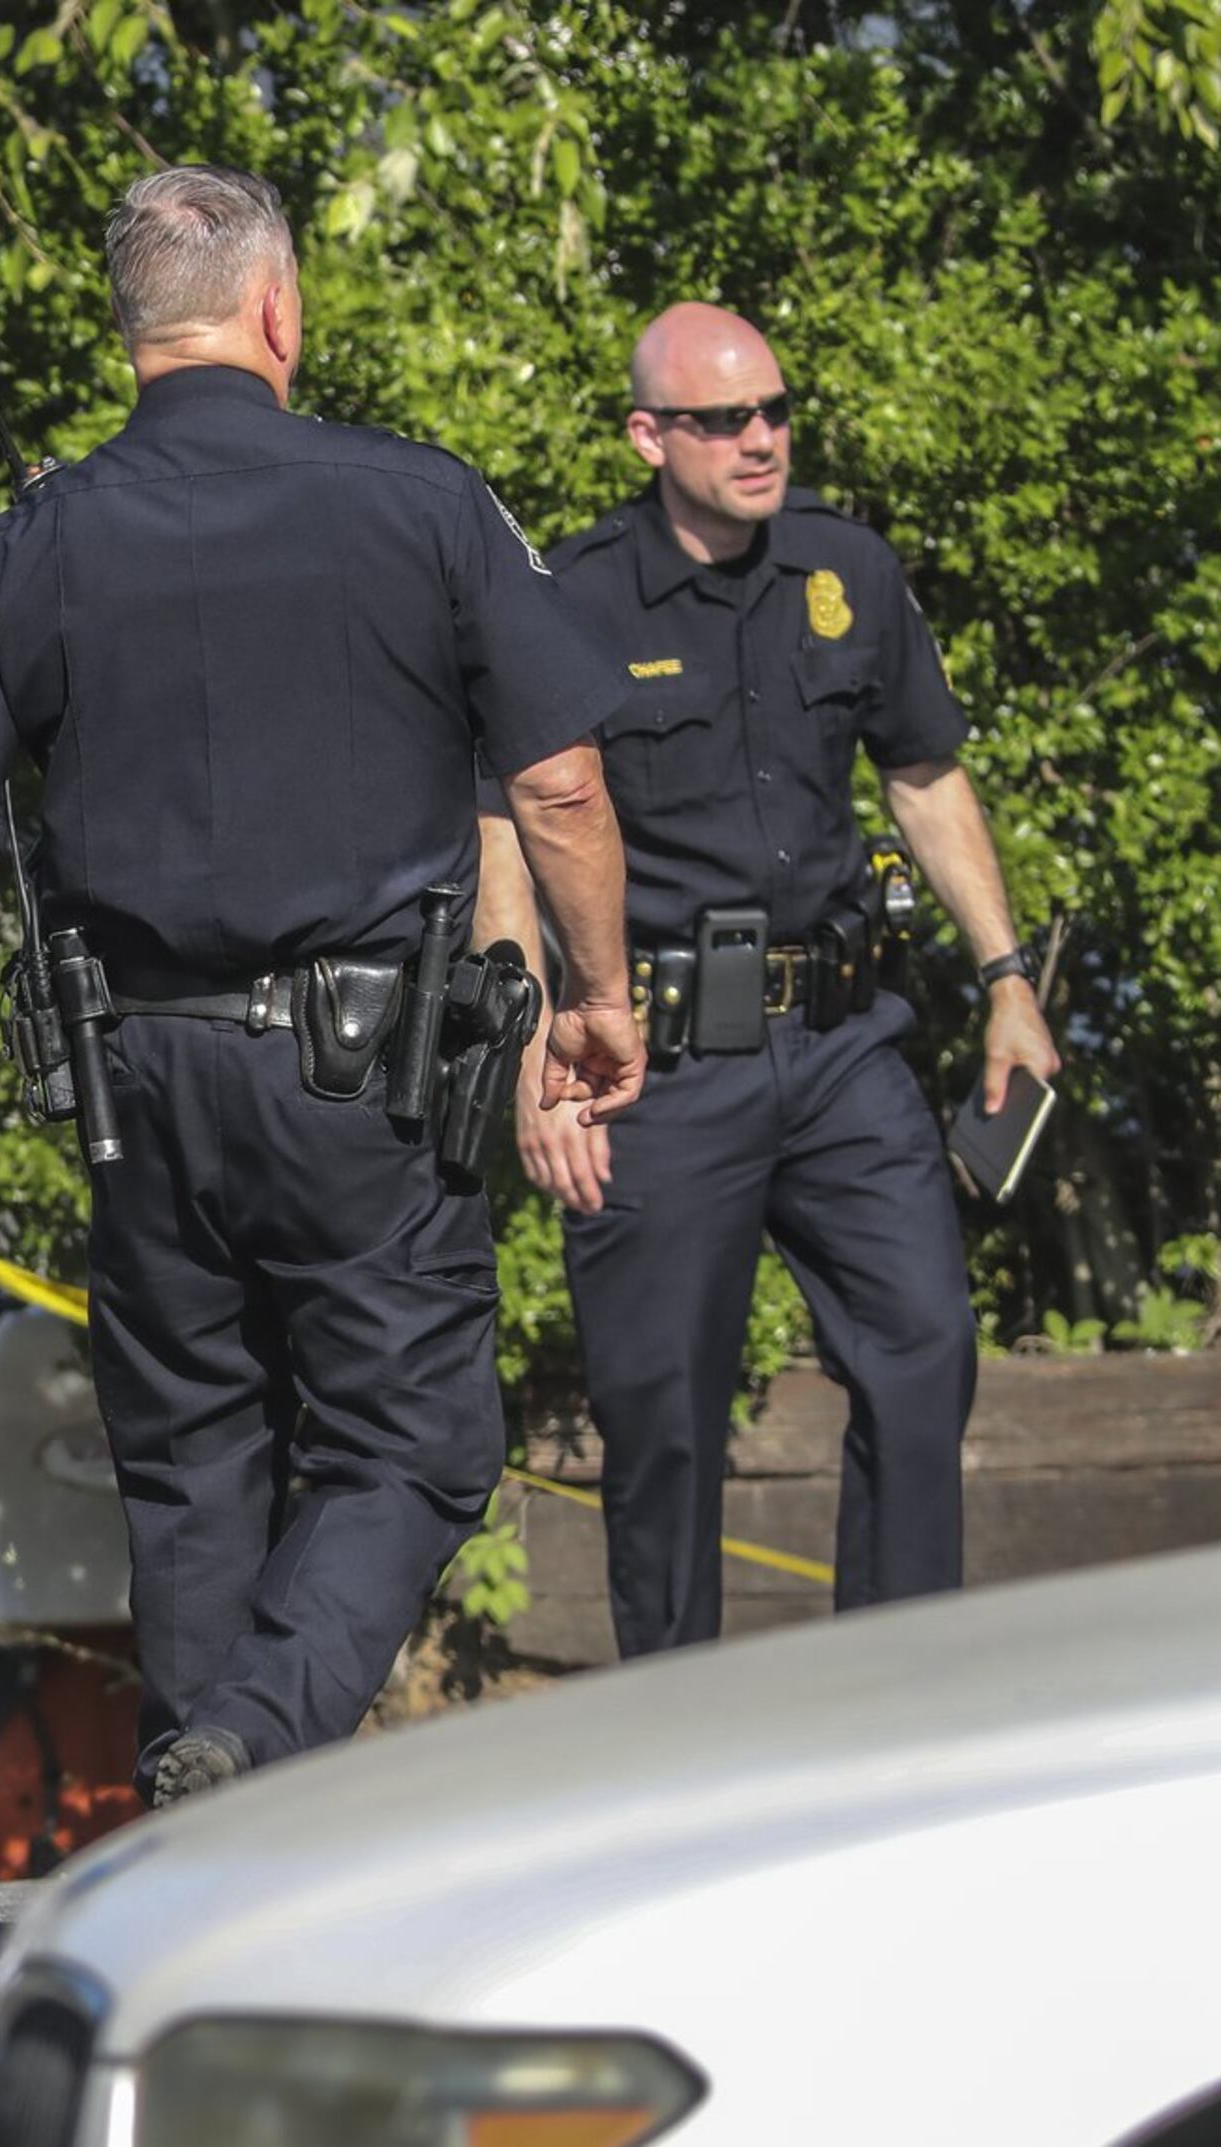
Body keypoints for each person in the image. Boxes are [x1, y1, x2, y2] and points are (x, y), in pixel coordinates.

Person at [0, 165, 647, 1808]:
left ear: (131, 332)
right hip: (360, 1082)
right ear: (278, 312)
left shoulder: (28, 544)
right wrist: (598, 996)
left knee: (190, 1467)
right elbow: (562, 787)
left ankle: (210, 1824)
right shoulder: (423, 504)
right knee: (419, 1443)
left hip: (140, 1079)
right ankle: (253, 1730)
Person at [477, 302, 1058, 1657]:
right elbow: (505, 824)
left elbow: (924, 775)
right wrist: (531, 1049)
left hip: (845, 1047)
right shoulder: (574, 599)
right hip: (660, 1066)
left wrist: (1008, 979)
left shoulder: (846, 568)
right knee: (663, 1420)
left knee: (925, 1351)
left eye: (776, 411)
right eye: (725, 419)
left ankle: (892, 1694)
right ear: (649, 437)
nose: (761, 440)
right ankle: (680, 1734)